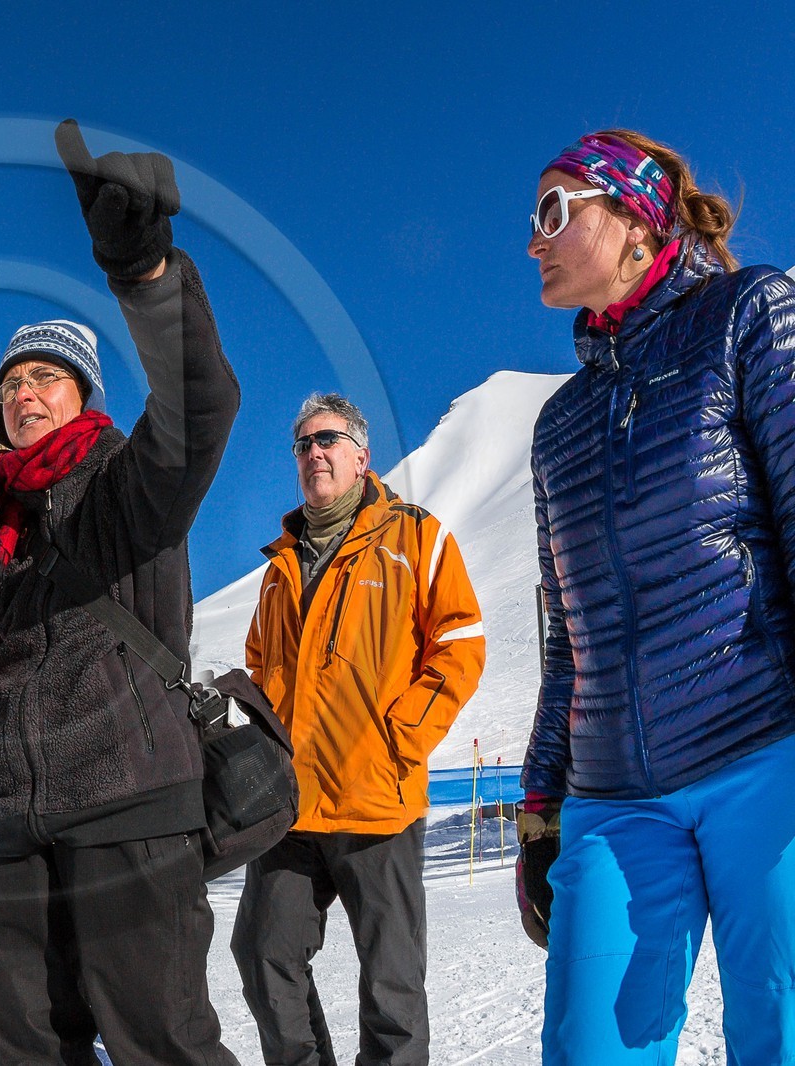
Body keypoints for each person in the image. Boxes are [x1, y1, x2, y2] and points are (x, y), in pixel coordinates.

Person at [0, 120, 242, 1065]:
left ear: (82, 394)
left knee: (163, 1044)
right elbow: (19, 704)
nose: (24, 395)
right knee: (21, 1047)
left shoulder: (130, 483)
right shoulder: (4, 528)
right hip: (22, 831)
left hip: (132, 815)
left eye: (46, 377)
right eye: (12, 383)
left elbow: (202, 409)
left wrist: (146, 278)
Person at [519, 129, 795, 1063]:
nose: (533, 241)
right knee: (591, 1047)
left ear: (633, 213)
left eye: (553, 212)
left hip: (764, 748)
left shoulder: (748, 314)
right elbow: (566, 641)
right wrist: (539, 805)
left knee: (780, 1031)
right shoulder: (556, 426)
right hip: (614, 793)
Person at [231, 393, 485, 1065]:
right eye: (303, 444)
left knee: (392, 983)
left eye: (329, 440)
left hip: (378, 799)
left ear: (361, 456)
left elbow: (461, 643)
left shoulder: (416, 538)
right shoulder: (281, 563)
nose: (315, 452)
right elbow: (262, 662)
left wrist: (400, 740)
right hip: (289, 804)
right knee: (262, 952)